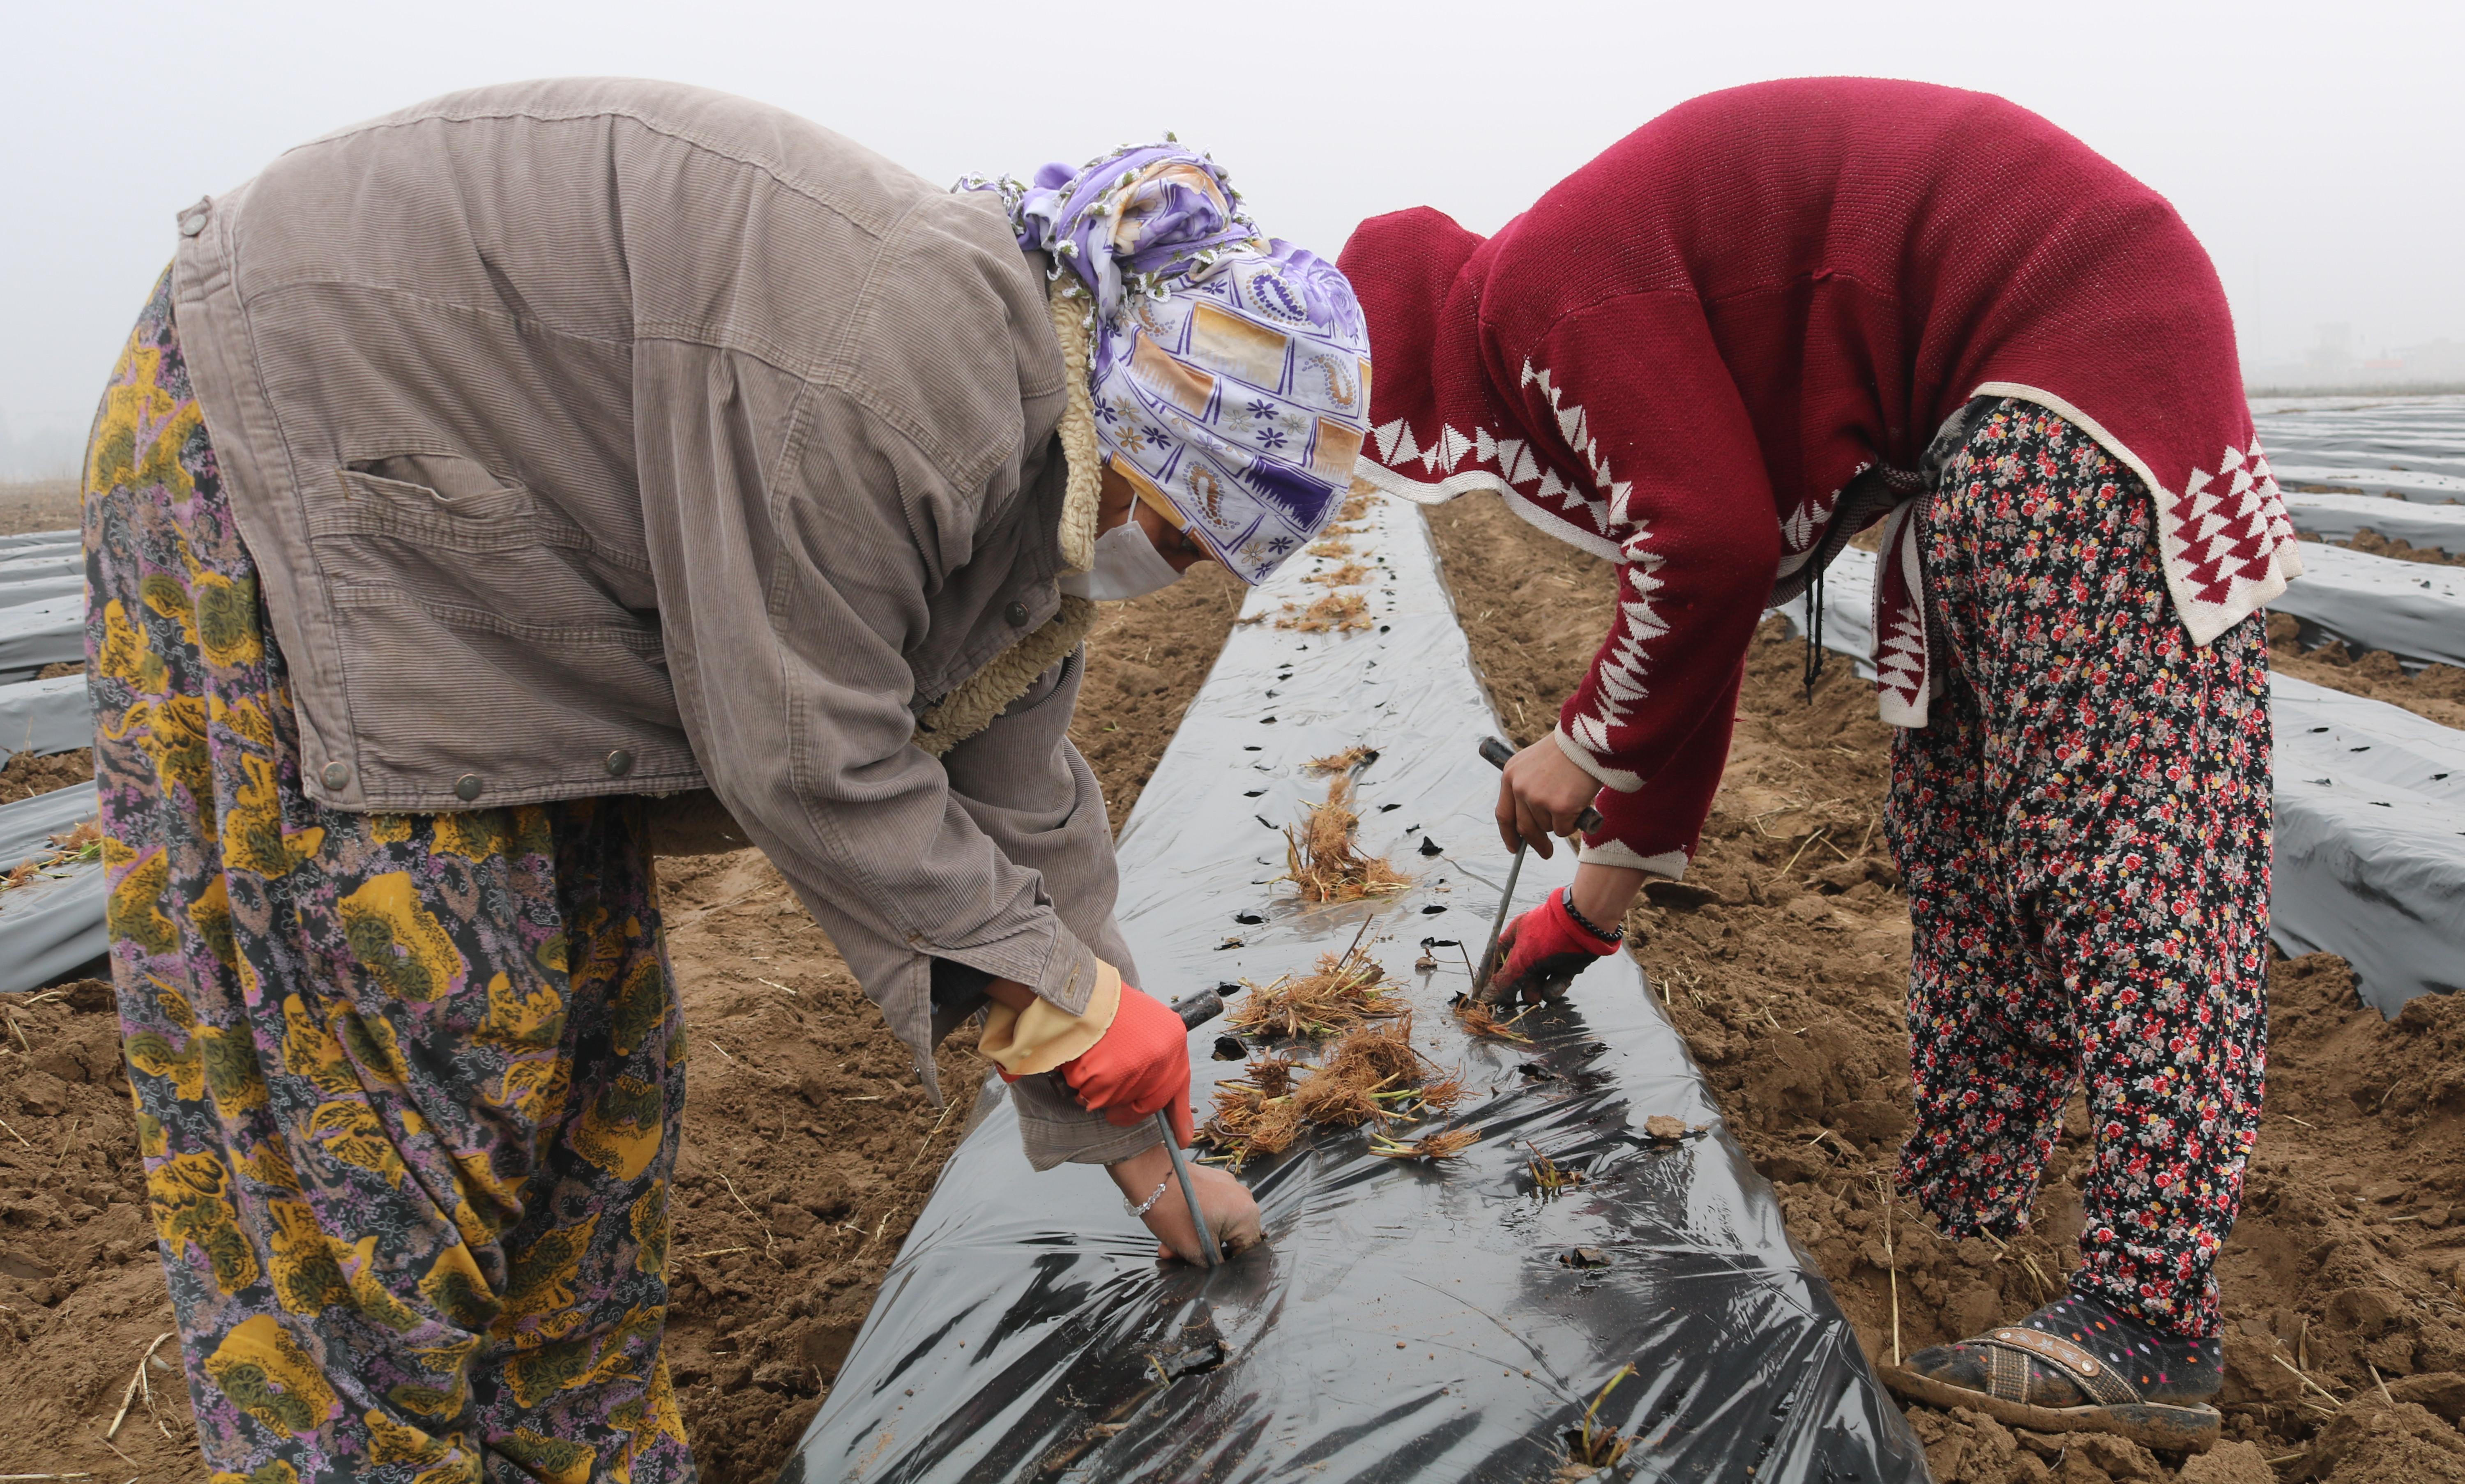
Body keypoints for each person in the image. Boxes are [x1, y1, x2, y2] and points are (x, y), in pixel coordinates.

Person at [89, 79, 1367, 1483]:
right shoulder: (902, 370)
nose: (1173, 575)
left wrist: (1146, 1154)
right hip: (299, 441)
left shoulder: (1040, 470)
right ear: (1130, 428)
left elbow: (1024, 806)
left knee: (597, 1087)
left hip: (497, 558)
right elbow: (802, 745)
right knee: (410, 1097)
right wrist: (1057, 999)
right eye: (1182, 535)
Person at [1338, 77, 2291, 1453]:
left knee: (2129, 849)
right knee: (1961, 833)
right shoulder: (1557, 299)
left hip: (2075, 350)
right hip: (1973, 426)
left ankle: (2148, 1317)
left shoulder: (1536, 298)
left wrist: (1582, 741)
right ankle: (1967, 1218)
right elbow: (1707, 613)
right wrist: (1588, 914)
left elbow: (1705, 549)